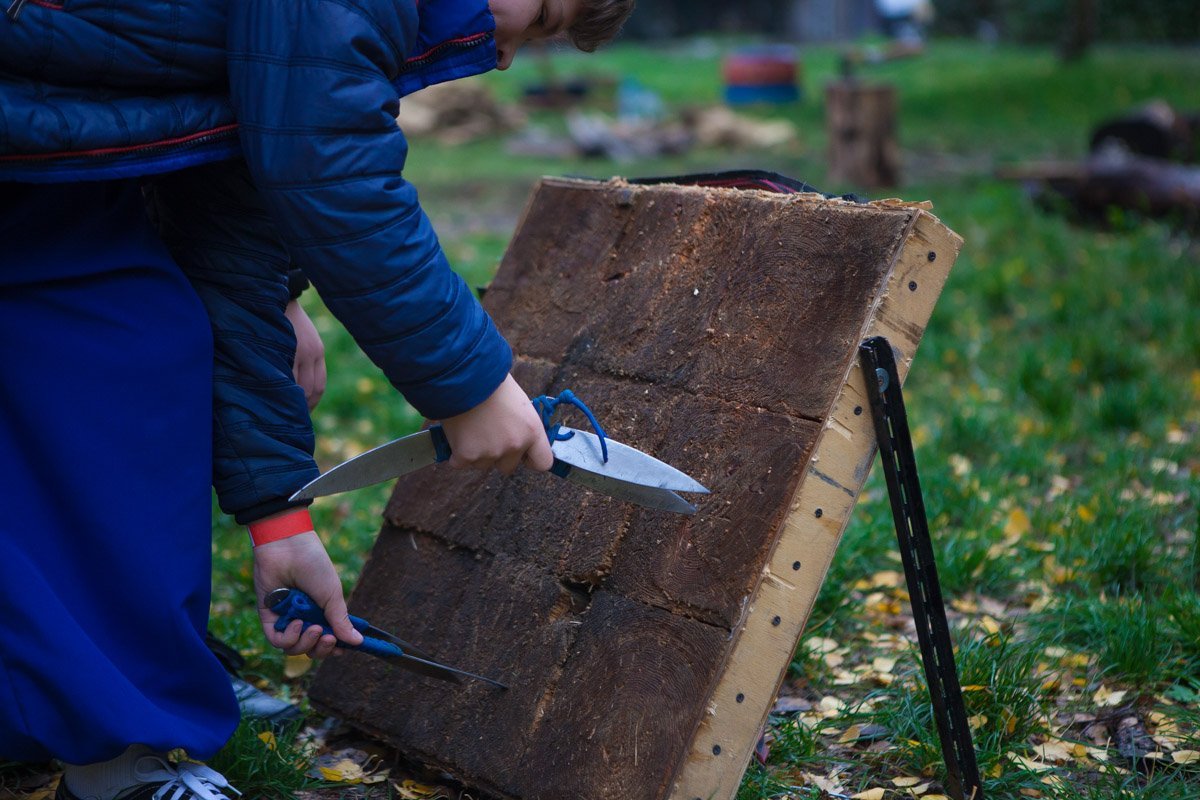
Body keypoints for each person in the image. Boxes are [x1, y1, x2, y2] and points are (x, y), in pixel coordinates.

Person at [0, 0, 635, 798]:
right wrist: (469, 384)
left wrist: (281, 521)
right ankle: (99, 685)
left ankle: (116, 685)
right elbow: (328, 161)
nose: (506, 57)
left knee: (142, 342)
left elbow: (232, 231)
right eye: (539, 14)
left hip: (39, 160)